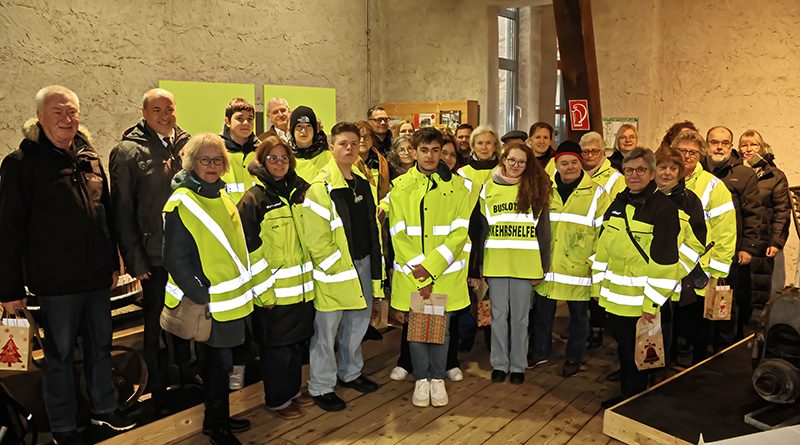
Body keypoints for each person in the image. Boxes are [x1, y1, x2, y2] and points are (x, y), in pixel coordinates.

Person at [0, 85, 136, 444]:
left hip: (95, 280)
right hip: (56, 285)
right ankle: (63, 427)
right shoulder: (21, 164)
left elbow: (103, 214)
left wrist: (113, 262)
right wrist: (9, 290)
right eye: (58, 112)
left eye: (72, 112)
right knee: (59, 356)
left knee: (100, 348)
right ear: (40, 118)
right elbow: (8, 231)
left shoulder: (89, 157)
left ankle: (104, 412)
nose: (66, 119)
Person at [109, 88, 198, 410]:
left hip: (184, 254)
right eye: (157, 109)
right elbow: (122, 210)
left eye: (169, 109)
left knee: (185, 318)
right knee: (156, 325)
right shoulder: (127, 152)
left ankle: (187, 374)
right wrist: (135, 258)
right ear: (144, 113)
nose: (165, 115)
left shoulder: (186, 146)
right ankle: (158, 386)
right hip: (153, 256)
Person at [163, 133, 253, 444]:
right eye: (205, 160)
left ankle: (217, 419)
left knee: (222, 366)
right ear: (191, 163)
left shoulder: (220, 195)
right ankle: (218, 429)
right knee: (216, 367)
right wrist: (202, 295)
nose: (212, 166)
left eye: (217, 160)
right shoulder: (182, 201)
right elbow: (174, 258)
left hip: (231, 302)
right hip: (210, 305)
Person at [380, 127, 472, 407]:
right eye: (424, 150)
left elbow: (459, 233)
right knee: (418, 330)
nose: (430, 156)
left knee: (441, 331)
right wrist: (421, 271)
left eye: (436, 150)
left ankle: (437, 378)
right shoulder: (400, 187)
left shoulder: (459, 188)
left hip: (443, 274)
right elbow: (398, 232)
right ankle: (421, 378)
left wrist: (431, 269)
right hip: (413, 275)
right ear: (414, 152)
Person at [592, 148, 683, 408]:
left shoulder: (663, 209)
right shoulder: (618, 202)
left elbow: (665, 263)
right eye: (629, 170)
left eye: (641, 170)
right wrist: (598, 288)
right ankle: (628, 394)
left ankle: (632, 402)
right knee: (624, 349)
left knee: (640, 354)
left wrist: (651, 305)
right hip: (615, 300)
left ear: (652, 173)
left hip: (642, 303)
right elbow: (603, 249)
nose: (634, 175)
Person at [303, 122, 383, 412]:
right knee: (326, 331)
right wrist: (335, 268)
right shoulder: (320, 187)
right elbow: (316, 239)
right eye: (342, 144)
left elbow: (372, 228)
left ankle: (350, 373)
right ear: (331, 147)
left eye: (353, 143)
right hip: (334, 272)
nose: (349, 149)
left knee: (357, 324)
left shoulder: (362, 182)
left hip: (361, 264)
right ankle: (321, 386)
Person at [237, 136, 316, 420]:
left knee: (295, 346)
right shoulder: (254, 200)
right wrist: (264, 294)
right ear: (262, 161)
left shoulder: (298, 193)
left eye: (284, 158)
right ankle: (277, 399)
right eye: (272, 158)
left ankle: (292, 391)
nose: (279, 164)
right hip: (274, 294)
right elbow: (250, 253)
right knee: (276, 351)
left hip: (302, 291)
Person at [472, 142, 551, 384]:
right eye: (512, 160)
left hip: (525, 265)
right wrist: (479, 267)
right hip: (496, 263)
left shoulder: (536, 190)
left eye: (522, 162)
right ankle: (499, 363)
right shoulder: (487, 189)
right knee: (497, 316)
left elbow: (544, 234)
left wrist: (543, 268)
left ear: (528, 165)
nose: (516, 165)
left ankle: (518, 365)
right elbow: (480, 231)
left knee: (520, 318)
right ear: (503, 159)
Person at [533, 141, 610, 377]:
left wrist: (595, 266)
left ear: (581, 163)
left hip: (580, 269)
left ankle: (573, 358)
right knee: (542, 315)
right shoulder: (544, 192)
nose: (569, 167)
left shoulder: (598, 194)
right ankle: (539, 352)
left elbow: (604, 235)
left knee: (579, 317)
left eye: (574, 162)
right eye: (564, 163)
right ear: (556, 165)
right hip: (548, 267)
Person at [673, 129, 736, 362]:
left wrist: (717, 272)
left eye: (693, 152)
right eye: (682, 150)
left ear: (700, 155)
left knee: (698, 327)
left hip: (701, 268)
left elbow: (726, 231)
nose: (687, 156)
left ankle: (695, 372)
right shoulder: (664, 180)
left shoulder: (714, 186)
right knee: (673, 323)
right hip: (670, 266)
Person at [703, 126, 762, 342]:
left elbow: (754, 214)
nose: (719, 146)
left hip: (730, 249)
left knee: (725, 298)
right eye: (714, 142)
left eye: (724, 142)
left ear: (731, 145)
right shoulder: (696, 171)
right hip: (699, 250)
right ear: (706, 144)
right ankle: (699, 342)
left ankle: (722, 343)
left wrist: (747, 247)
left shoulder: (744, 175)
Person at [653, 147, 707, 368]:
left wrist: (675, 269)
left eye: (673, 168)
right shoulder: (643, 196)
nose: (667, 172)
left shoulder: (689, 201)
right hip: (644, 276)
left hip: (674, 277)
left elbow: (696, 241)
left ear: (680, 172)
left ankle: (663, 368)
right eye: (662, 167)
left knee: (668, 324)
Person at [578, 131, 625, 350]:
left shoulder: (616, 178)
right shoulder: (575, 171)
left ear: (604, 151)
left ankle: (597, 328)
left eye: (594, 151)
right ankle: (581, 325)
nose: (589, 155)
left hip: (602, 238)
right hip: (577, 241)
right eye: (585, 151)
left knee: (597, 288)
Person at [738, 130, 790, 307]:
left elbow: (782, 210)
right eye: (744, 145)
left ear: (762, 147)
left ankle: (754, 331)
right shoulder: (735, 173)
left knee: (759, 292)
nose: (749, 149)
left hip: (763, 240)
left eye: (754, 144)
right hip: (739, 238)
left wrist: (776, 241)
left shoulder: (775, 176)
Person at [220, 97, 260, 204]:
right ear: (227, 121)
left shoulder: (261, 151)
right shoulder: (217, 150)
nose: (246, 123)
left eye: (250, 119)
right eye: (240, 118)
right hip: (227, 216)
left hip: (257, 216)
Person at [291, 106, 330, 183]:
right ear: (292, 130)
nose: (304, 131)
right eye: (299, 126)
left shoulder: (330, 157)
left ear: (315, 129)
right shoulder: (286, 158)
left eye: (308, 126)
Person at [355, 120, 391, 200]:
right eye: (358, 137)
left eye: (367, 137)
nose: (362, 141)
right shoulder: (347, 162)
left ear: (372, 140)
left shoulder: (381, 162)